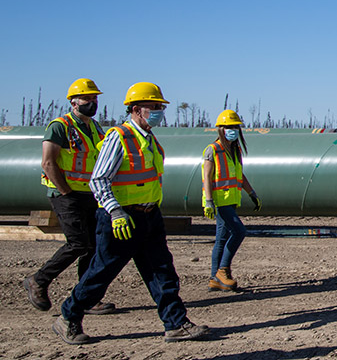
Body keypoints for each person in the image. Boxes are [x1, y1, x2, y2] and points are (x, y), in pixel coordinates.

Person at [52, 82, 209, 345]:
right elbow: (99, 180)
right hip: (121, 220)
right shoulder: (119, 137)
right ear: (136, 109)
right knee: (101, 273)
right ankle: (68, 316)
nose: (159, 111)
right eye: (154, 107)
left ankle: (175, 323)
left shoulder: (148, 138)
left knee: (163, 272)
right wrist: (115, 212)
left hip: (148, 216)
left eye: (160, 107)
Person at [23, 78, 115, 315]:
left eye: (94, 99)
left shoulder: (94, 128)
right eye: (87, 99)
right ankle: (39, 280)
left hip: (90, 194)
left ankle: (88, 297)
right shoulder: (60, 126)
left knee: (93, 247)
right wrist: (65, 191)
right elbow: (48, 162)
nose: (92, 103)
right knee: (78, 244)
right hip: (66, 194)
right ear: (73, 102)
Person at [202, 109, 260, 292]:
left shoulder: (235, 150)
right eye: (229, 127)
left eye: (235, 127)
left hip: (231, 200)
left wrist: (251, 193)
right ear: (221, 129)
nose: (233, 130)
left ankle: (214, 279)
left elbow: (239, 175)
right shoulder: (213, 150)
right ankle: (222, 270)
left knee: (221, 238)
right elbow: (207, 177)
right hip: (220, 202)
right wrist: (209, 201)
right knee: (239, 231)